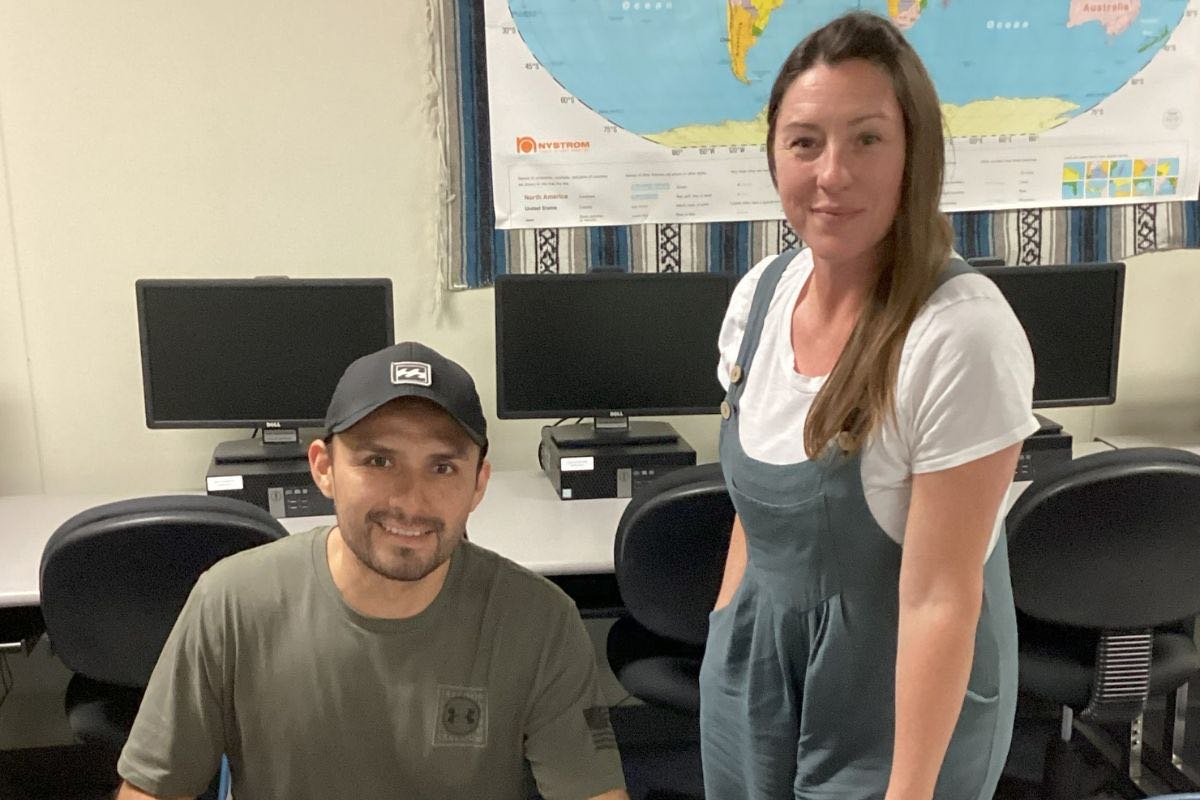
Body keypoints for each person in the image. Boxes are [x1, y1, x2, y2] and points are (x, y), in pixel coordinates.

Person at [699, 12, 1037, 800]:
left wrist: (909, 791)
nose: (832, 173)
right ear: (775, 153)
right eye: (805, 141)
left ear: (915, 152)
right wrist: (725, 639)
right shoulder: (761, 294)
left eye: (868, 139)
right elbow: (752, 519)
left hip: (894, 715)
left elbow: (941, 597)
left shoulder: (959, 334)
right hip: (755, 686)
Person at [116, 341, 629, 800]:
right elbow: (154, 788)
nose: (410, 500)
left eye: (443, 466)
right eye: (378, 462)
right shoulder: (231, 604)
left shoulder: (539, 623)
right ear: (323, 468)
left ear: (478, 483)